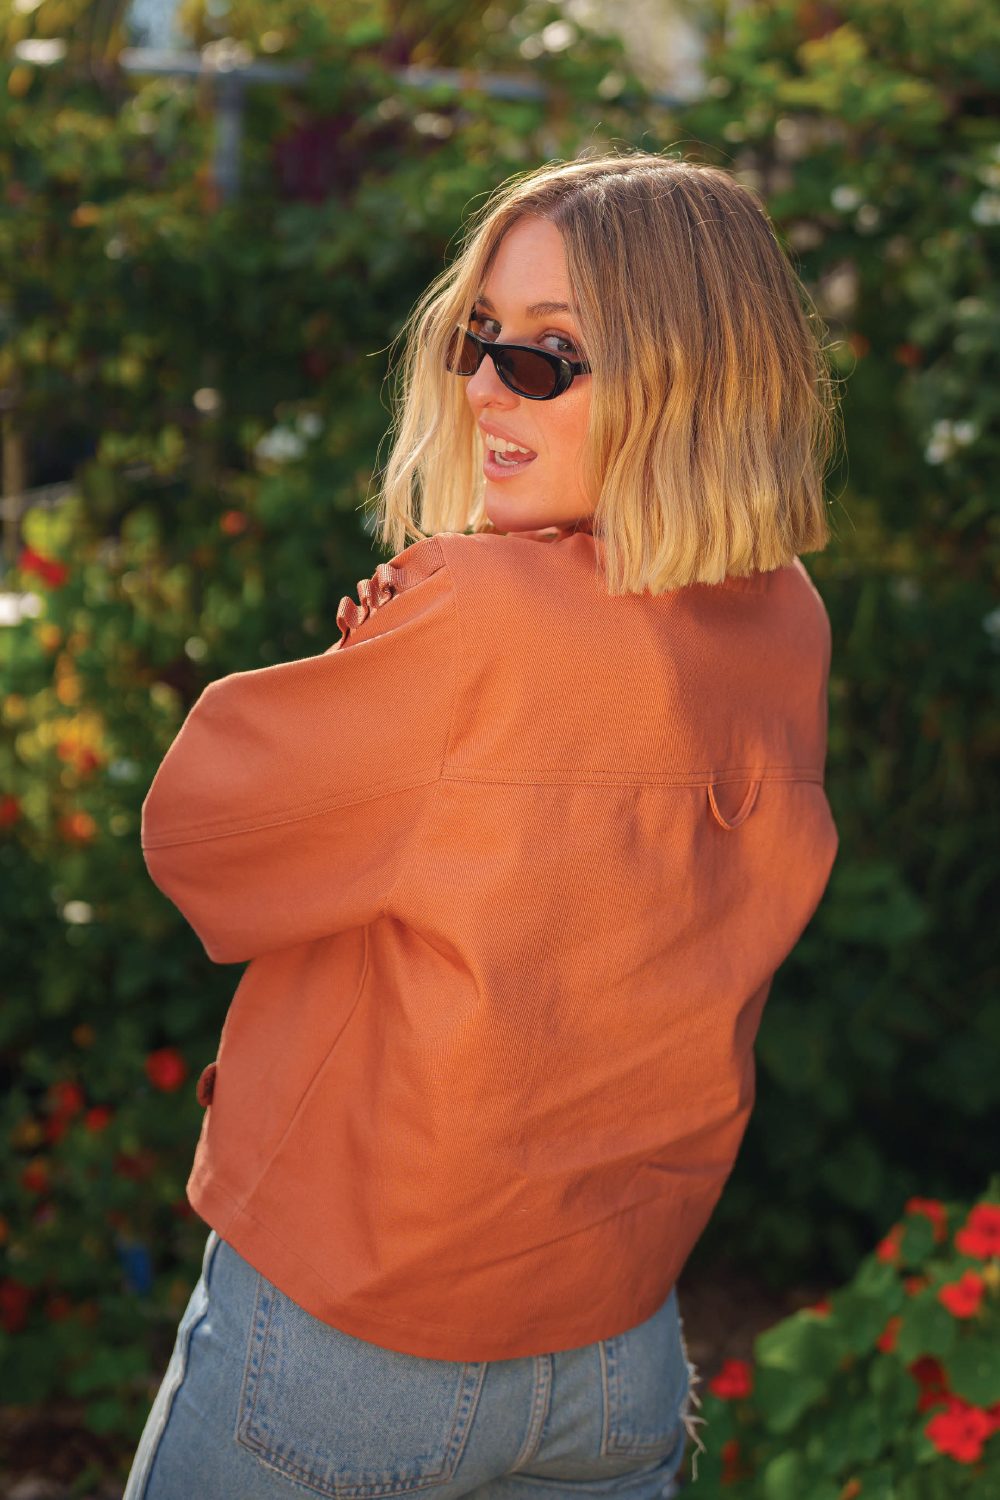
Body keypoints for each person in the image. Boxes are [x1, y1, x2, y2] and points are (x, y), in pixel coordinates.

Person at [125, 153, 839, 1500]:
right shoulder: (784, 617)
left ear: (688, 379)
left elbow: (202, 838)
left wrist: (377, 635)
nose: (482, 389)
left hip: (359, 1333)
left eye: (550, 360)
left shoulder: (477, 610)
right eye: (478, 340)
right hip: (620, 1344)